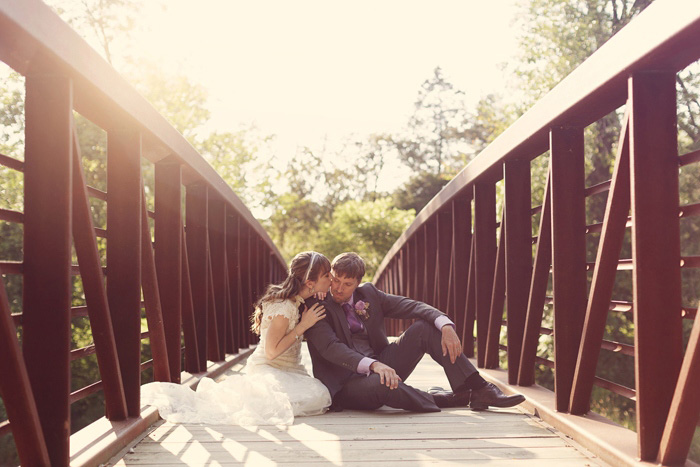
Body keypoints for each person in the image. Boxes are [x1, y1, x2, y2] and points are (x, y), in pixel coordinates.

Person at [305, 252, 525, 412]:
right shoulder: (318, 305)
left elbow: (411, 305)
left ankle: (479, 388)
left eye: (347, 283)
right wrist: (373, 365)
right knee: (381, 383)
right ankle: (451, 399)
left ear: (358, 283)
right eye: (335, 280)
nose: (338, 288)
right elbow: (331, 348)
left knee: (425, 328)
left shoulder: (369, 294)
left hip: (383, 362)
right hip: (348, 383)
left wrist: (445, 324)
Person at [141, 251, 333, 425]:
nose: (331, 278)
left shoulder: (301, 297)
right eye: (327, 275)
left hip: (291, 370)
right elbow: (271, 352)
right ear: (309, 283)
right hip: (268, 369)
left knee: (317, 394)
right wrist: (303, 326)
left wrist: (320, 290)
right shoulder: (284, 308)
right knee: (312, 396)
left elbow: (317, 292)